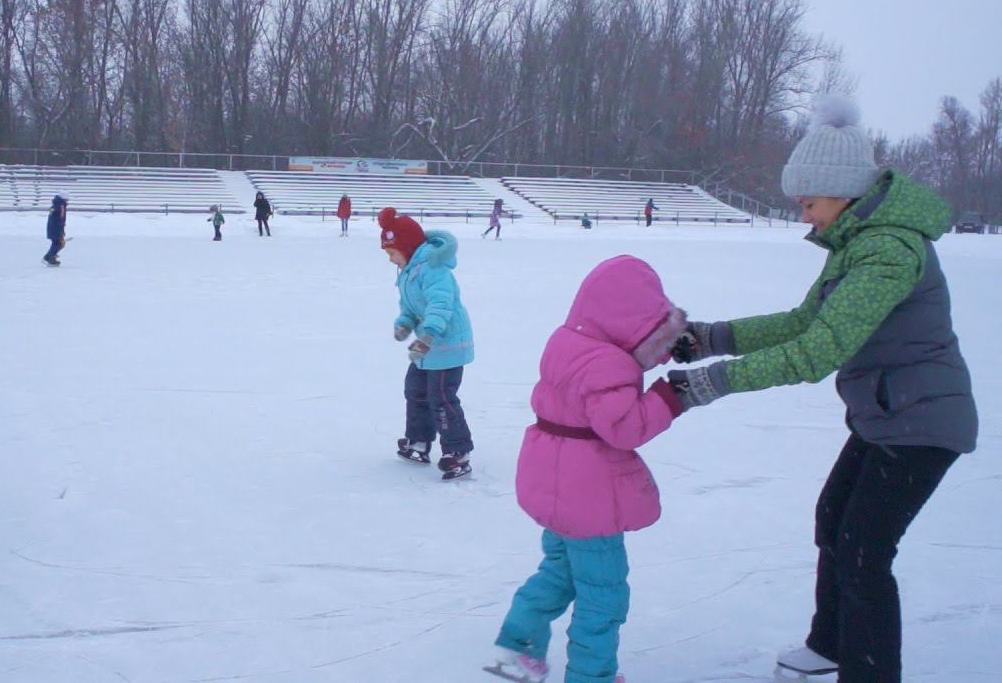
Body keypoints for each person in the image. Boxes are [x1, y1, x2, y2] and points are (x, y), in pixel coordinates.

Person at [667, 96, 977, 683]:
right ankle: (830, 644)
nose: (804, 214)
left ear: (842, 193)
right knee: (835, 520)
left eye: (809, 202)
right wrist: (710, 337)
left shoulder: (887, 250)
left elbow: (817, 351)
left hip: (924, 423)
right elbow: (802, 322)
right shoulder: (856, 246)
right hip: (889, 415)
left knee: (864, 553)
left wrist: (709, 383)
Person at [485, 255, 685, 683]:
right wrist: (670, 399)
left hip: (551, 483)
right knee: (603, 596)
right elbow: (623, 426)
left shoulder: (566, 343)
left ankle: (516, 649)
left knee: (558, 572)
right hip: (589, 499)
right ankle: (591, 676)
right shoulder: (611, 364)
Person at [380, 207, 475, 480]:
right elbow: (409, 306)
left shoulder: (434, 269)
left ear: (406, 247)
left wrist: (427, 335)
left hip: (446, 345)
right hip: (426, 347)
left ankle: (457, 452)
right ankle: (419, 442)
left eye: (391, 252)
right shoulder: (408, 272)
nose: (390, 259)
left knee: (442, 397)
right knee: (415, 390)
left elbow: (440, 305)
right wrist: (404, 323)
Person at [44, 192, 68, 267]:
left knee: (57, 243)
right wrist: (61, 230)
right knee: (59, 243)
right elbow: (60, 219)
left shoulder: (55, 205)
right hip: (56, 228)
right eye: (67, 199)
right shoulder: (60, 206)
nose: (68, 201)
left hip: (52, 227)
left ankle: (49, 256)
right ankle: (50, 257)